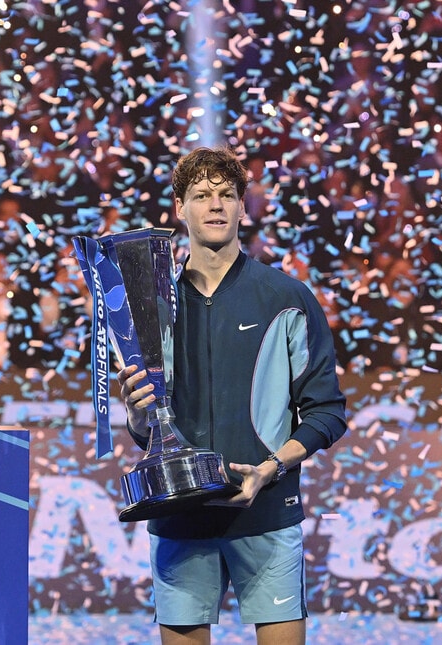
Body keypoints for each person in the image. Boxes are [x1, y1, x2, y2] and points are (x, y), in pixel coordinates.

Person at [117, 146, 347, 645]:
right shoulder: (151, 307)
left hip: (266, 512)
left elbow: (327, 411)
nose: (215, 205)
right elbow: (144, 432)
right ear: (180, 208)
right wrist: (136, 416)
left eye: (226, 195)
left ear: (244, 206)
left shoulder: (286, 297)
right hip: (179, 514)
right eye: (201, 195)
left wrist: (271, 469)